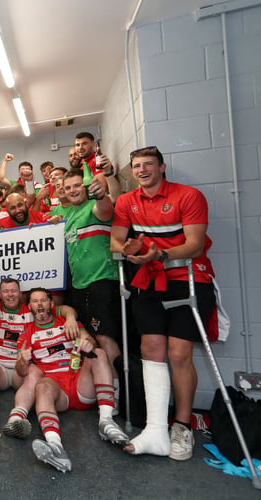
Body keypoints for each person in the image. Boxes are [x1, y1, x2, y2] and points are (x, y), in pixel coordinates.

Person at [111, 146, 216, 461]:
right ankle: (156, 430)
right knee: (151, 352)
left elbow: (195, 244)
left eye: (148, 165)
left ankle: (181, 427)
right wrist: (128, 248)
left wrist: (162, 254)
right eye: (137, 166)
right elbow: (115, 240)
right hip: (148, 281)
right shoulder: (126, 201)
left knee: (179, 354)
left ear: (162, 167)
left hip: (187, 279)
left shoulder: (188, 196)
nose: (142, 170)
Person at [0, 257, 79, 437]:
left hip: (21, 369)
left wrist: (70, 318)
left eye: (14, 291)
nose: (10, 295)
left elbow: (62, 309)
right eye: (6, 291)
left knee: (34, 373)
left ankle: (16, 420)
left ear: (20, 293)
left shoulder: (32, 310)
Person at [17, 288, 129, 473]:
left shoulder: (66, 322)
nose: (40, 305)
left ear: (52, 304)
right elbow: (21, 372)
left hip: (80, 382)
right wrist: (22, 360)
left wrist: (88, 344)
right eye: (35, 302)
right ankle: (55, 447)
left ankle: (106, 421)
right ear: (29, 307)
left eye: (43, 300)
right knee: (42, 385)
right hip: (57, 389)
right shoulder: (27, 332)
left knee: (98, 353)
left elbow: (90, 342)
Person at [58, 169, 123, 398]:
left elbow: (105, 208)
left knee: (105, 337)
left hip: (102, 280)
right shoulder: (69, 217)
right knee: (93, 338)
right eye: (68, 188)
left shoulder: (94, 207)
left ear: (84, 187)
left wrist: (100, 195)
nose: (73, 191)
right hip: (79, 285)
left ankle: (117, 394)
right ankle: (105, 389)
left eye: (77, 186)